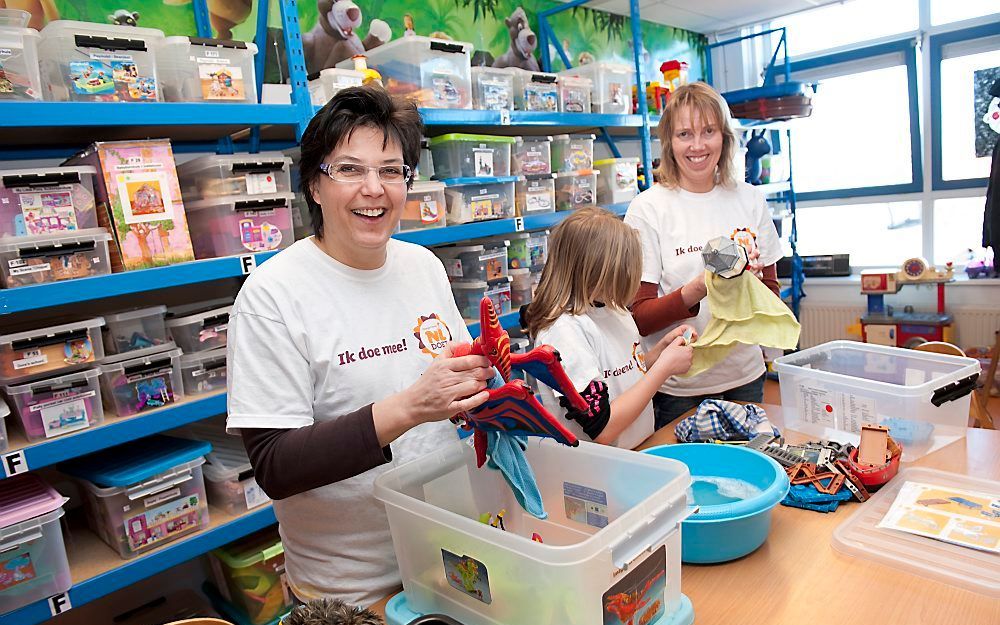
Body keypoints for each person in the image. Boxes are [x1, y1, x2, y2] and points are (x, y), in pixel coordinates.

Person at [226, 85, 494, 607]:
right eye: (349, 169)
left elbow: (462, 384)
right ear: (314, 185)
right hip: (352, 594)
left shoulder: (425, 267)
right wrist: (410, 407)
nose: (374, 189)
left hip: (452, 559)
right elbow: (275, 466)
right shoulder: (273, 295)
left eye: (391, 170)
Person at [624, 82, 783, 430]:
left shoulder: (750, 199)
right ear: (669, 142)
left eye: (708, 131)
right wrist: (696, 289)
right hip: (678, 387)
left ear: (724, 137)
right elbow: (639, 318)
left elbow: (772, 295)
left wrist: (752, 289)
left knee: (745, 481)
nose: (697, 145)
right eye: (684, 134)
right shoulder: (648, 209)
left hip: (745, 377)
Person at [523, 207, 696, 449]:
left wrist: (659, 355)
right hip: (600, 472)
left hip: (638, 451)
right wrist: (665, 369)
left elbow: (622, 373)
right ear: (594, 270)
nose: (630, 277)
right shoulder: (563, 332)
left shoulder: (613, 309)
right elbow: (602, 427)